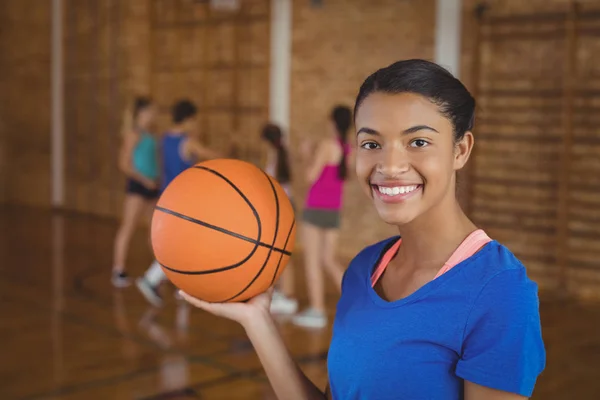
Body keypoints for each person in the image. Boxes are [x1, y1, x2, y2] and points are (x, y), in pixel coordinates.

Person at [178, 59, 547, 400]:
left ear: (460, 150)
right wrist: (257, 320)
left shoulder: (500, 291)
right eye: (371, 143)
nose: (389, 165)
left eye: (418, 142)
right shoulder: (363, 269)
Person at [136, 99, 221, 307]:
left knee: (184, 245)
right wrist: (232, 151)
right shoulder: (188, 141)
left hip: (167, 197)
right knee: (180, 247)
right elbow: (213, 156)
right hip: (181, 201)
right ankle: (150, 279)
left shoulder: (164, 139)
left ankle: (180, 285)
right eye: (195, 120)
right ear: (189, 119)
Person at [292, 105, 352, 328]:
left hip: (316, 208)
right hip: (334, 210)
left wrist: (306, 154)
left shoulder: (327, 145)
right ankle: (358, 302)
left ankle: (317, 311)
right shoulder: (348, 148)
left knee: (312, 261)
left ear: (332, 122)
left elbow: (310, 176)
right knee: (328, 259)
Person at [111, 96, 159, 288]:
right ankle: (118, 270)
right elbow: (124, 163)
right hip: (138, 187)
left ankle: (160, 270)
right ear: (141, 113)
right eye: (151, 111)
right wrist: (144, 179)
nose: (154, 115)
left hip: (152, 187)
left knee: (155, 231)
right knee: (128, 227)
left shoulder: (151, 134)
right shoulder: (133, 134)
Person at [261, 123, 299, 315]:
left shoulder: (276, 156)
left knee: (283, 253)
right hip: (282, 205)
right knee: (277, 253)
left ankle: (288, 297)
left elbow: (272, 183)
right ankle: (281, 293)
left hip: (281, 206)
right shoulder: (284, 153)